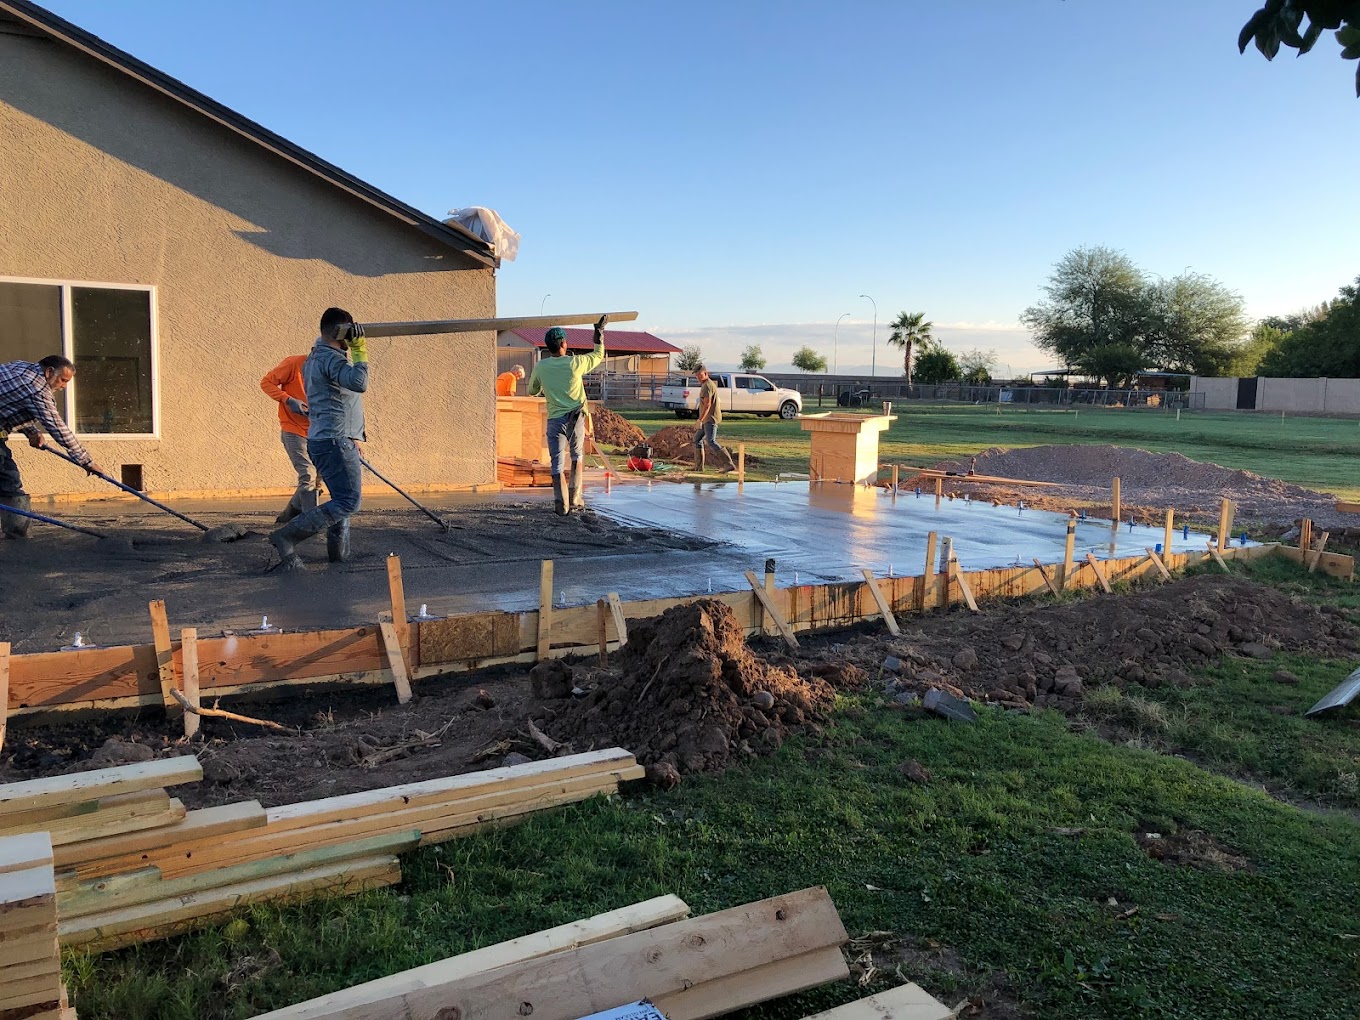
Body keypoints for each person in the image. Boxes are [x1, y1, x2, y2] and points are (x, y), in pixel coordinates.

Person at [267, 308, 368, 570]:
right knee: (349, 501)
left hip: (328, 438)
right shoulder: (330, 359)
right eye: (350, 332)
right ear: (340, 333)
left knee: (339, 498)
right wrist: (359, 352)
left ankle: (339, 555)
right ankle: (286, 536)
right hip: (334, 439)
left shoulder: (315, 357)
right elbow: (359, 382)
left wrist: (353, 437)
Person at [0, 355, 105, 538]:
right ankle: (16, 535)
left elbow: (9, 403)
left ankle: (15, 531)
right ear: (49, 372)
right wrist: (86, 461)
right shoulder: (37, 389)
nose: (63, 386)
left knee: (8, 478)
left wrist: (30, 431)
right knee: (9, 481)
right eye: (62, 380)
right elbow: (57, 428)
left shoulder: (22, 368)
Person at [527, 315, 608, 515]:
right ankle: (575, 499)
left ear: (548, 346)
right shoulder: (575, 363)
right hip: (576, 418)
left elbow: (532, 390)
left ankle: (560, 505)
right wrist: (598, 333)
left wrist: (544, 388)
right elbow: (598, 355)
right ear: (564, 344)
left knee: (556, 462)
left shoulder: (541, 367)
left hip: (555, 420)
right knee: (577, 455)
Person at [260, 353, 322, 524]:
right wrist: (287, 399)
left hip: (319, 431)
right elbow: (266, 383)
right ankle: (311, 523)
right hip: (294, 429)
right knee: (307, 474)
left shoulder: (332, 370)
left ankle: (286, 518)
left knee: (318, 478)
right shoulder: (294, 364)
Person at [693, 366, 736, 473]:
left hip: (710, 418)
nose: (698, 377)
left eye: (700, 374)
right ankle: (698, 467)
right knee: (697, 439)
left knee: (711, 441)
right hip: (706, 418)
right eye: (696, 375)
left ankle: (729, 465)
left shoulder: (707, 386)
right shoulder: (706, 384)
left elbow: (708, 404)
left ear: (705, 373)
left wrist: (700, 419)